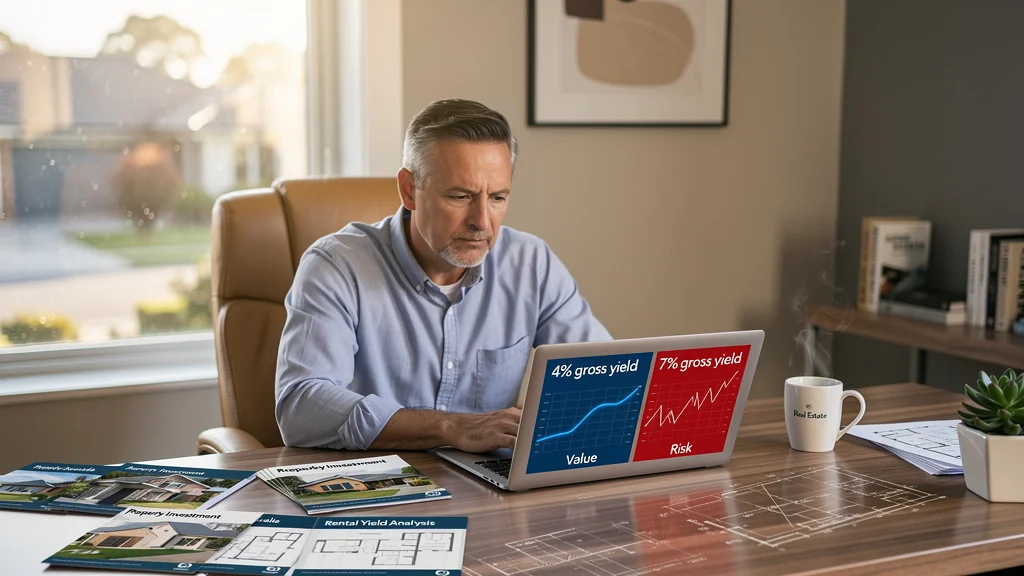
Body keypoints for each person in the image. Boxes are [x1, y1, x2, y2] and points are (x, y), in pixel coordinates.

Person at [274, 98, 611, 454]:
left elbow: (608, 377)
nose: (482, 222)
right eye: (460, 196)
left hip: (488, 480)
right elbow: (301, 406)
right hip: (381, 479)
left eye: (497, 198)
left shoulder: (531, 263)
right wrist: (451, 427)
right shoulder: (337, 265)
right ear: (409, 190)